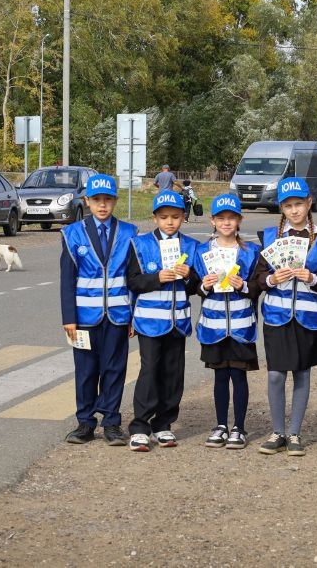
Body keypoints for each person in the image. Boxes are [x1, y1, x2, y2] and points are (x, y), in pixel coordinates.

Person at [254, 177, 317, 457]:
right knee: (276, 375)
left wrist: (312, 277)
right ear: (281, 208)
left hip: (309, 317)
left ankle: (295, 433)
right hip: (277, 316)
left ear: (309, 203)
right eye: (288, 206)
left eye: (299, 204)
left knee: (302, 373)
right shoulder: (269, 237)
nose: (294, 211)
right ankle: (277, 431)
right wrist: (270, 278)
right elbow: (257, 278)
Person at [59, 173, 138, 446]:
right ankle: (85, 422)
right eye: (96, 200)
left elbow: (133, 278)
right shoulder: (73, 234)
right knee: (86, 371)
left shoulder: (129, 233)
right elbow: (67, 280)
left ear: (115, 201)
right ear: (87, 201)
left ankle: (112, 422)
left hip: (117, 314)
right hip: (84, 317)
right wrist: (69, 317)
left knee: (115, 369)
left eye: (107, 200)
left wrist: (133, 315)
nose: (102, 205)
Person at [126, 190, 201, 451]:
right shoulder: (140, 244)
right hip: (148, 320)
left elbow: (197, 287)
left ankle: (164, 424)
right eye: (164, 217)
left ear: (183, 217)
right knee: (149, 370)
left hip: (177, 321)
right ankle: (140, 426)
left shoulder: (191, 246)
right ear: (155, 218)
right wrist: (157, 277)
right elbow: (133, 281)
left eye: (176, 217)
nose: (170, 222)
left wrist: (189, 275)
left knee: (173, 372)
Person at [193, 193, 262, 450]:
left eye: (231, 218)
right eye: (221, 218)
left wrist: (244, 285)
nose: (226, 223)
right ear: (212, 221)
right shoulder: (202, 251)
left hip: (242, 325)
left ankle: (239, 428)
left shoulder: (251, 251)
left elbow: (258, 285)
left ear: (240, 220)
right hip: (213, 325)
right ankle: (221, 424)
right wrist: (204, 285)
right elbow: (194, 286)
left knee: (239, 375)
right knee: (220, 376)